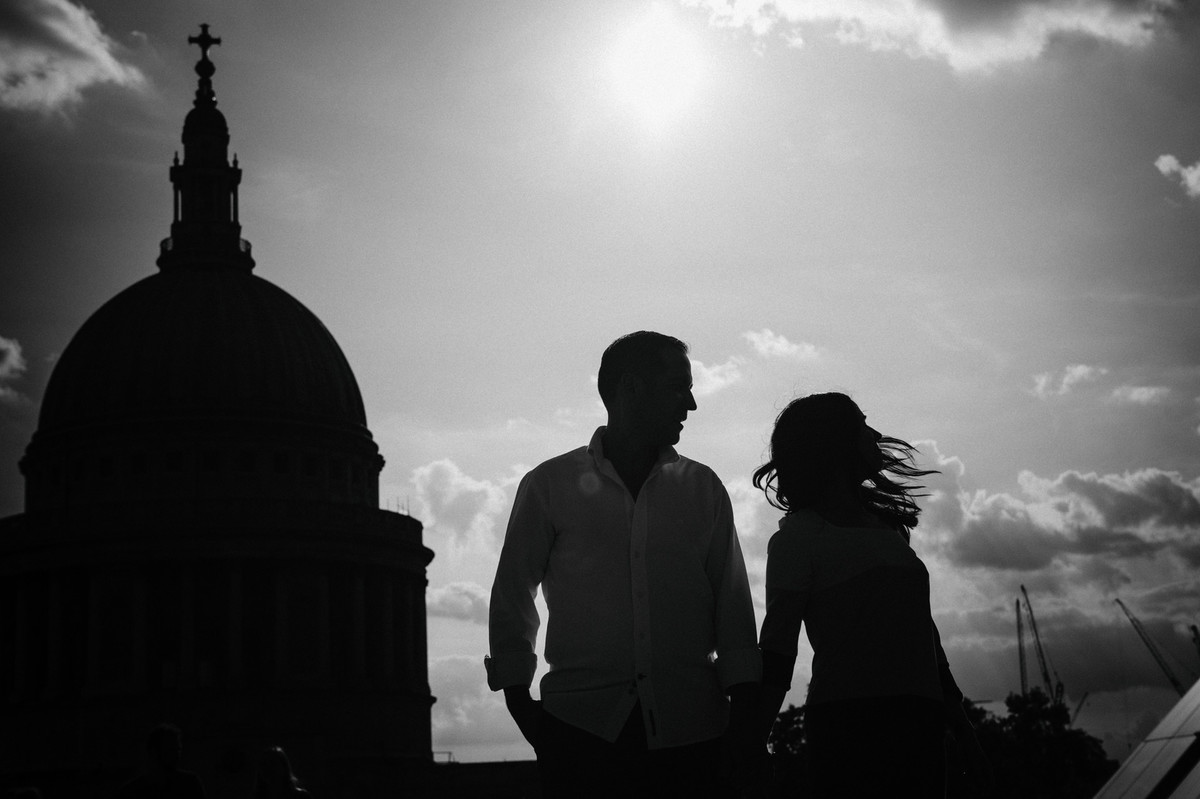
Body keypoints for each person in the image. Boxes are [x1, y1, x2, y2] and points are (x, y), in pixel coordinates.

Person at [487, 331, 762, 798]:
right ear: (631, 388)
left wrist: (744, 726)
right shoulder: (549, 484)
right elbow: (513, 591)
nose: (691, 403)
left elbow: (732, 604)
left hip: (692, 735)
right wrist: (522, 706)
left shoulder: (704, 488)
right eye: (678, 387)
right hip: (579, 735)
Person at [754, 392, 989, 797]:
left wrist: (964, 731)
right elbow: (777, 651)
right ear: (834, 442)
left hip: (920, 723)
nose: (876, 434)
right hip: (849, 725)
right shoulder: (799, 538)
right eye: (862, 425)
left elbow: (926, 637)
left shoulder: (890, 530)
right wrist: (752, 741)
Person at [114, 723, 206, 799]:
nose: (177, 754)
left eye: (178, 749)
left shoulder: (190, 784)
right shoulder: (132, 791)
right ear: (154, 752)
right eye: (170, 749)